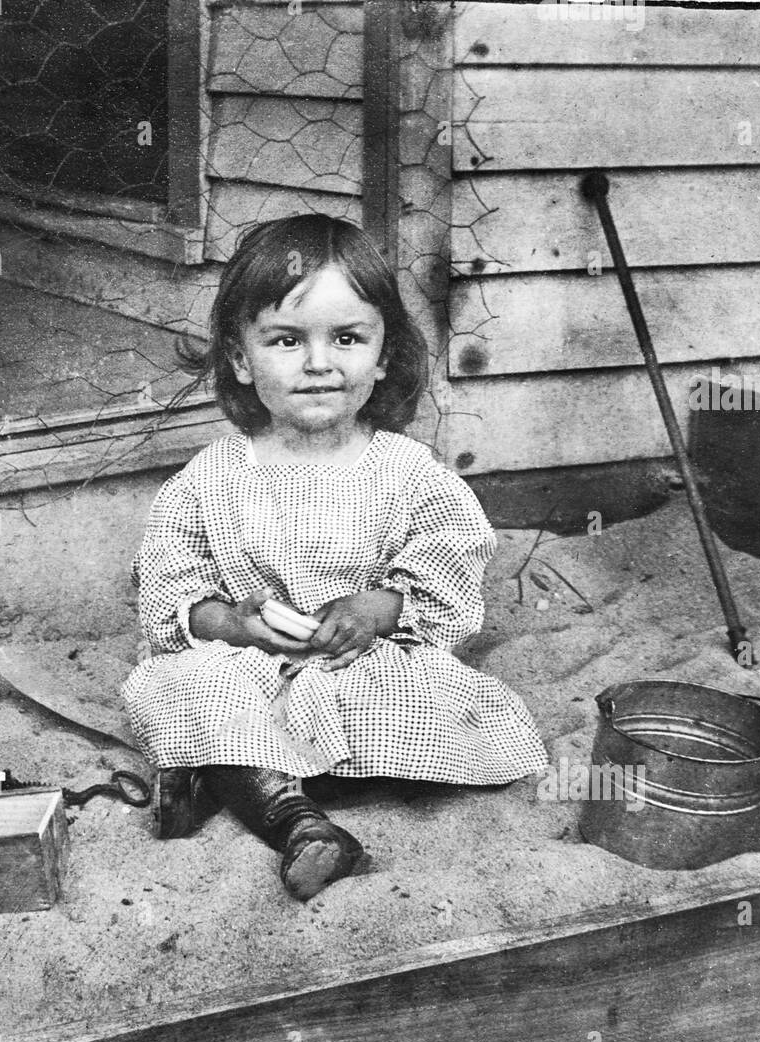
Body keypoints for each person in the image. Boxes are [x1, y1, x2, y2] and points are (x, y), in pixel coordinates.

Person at [120, 214, 548, 901]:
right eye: (287, 340)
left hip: (360, 661)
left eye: (346, 338)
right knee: (187, 685)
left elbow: (446, 565)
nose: (320, 363)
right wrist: (234, 622)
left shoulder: (408, 471)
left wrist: (375, 609)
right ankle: (300, 823)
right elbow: (173, 583)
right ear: (239, 358)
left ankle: (233, 777)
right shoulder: (212, 476)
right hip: (251, 664)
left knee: (441, 699)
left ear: (381, 355)